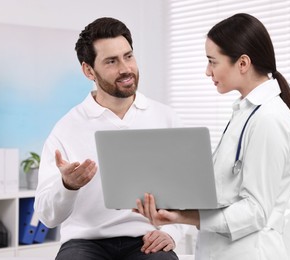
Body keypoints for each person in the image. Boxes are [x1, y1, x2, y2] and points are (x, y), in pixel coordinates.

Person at [135, 13, 290, 259]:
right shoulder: (246, 112)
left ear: (243, 63)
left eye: (212, 61)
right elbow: (227, 191)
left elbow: (256, 211)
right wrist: (175, 203)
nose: (207, 71)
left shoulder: (269, 120)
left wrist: (185, 217)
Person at [34, 17, 187, 260]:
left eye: (128, 56)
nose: (125, 68)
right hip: (85, 243)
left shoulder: (166, 118)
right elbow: (47, 216)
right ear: (88, 70)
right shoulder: (66, 128)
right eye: (111, 61)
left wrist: (172, 233)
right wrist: (68, 186)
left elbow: (187, 191)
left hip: (145, 239)